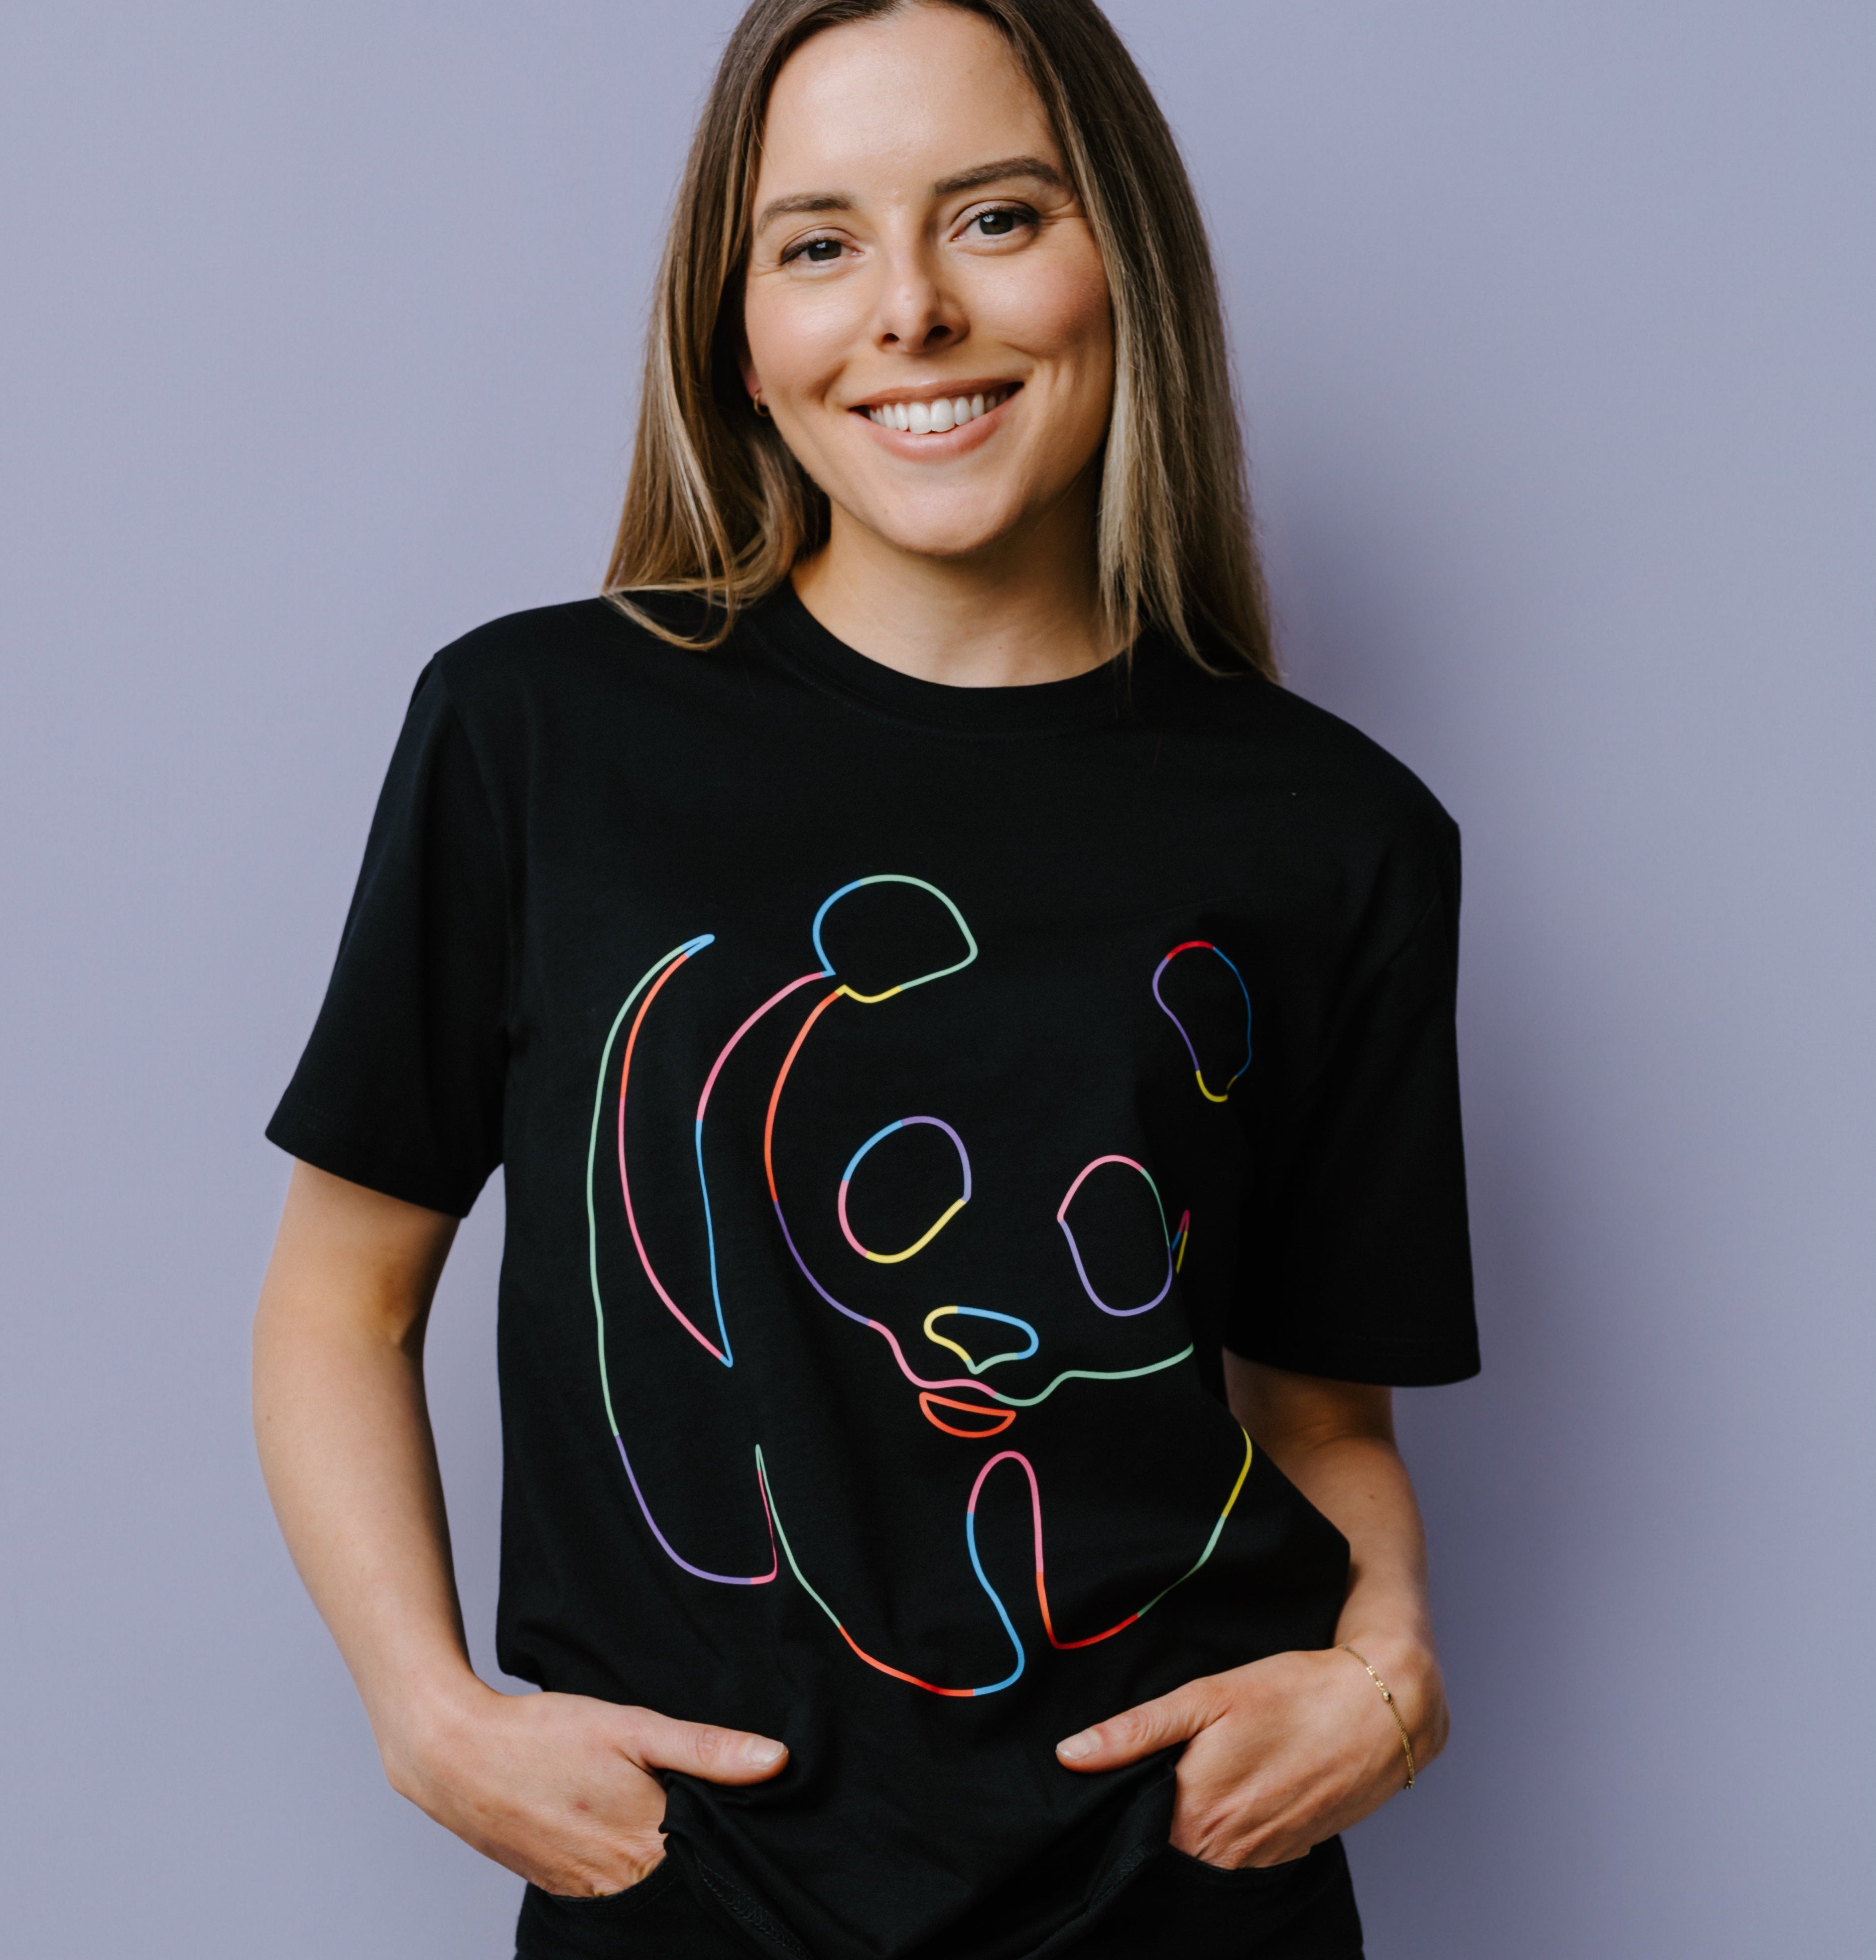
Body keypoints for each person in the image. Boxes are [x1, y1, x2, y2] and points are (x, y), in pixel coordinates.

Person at [252, 2, 1478, 1954]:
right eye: (817, 242)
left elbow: (1322, 1415)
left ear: (1119, 261)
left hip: (1181, 1890)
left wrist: (1388, 1675)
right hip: (694, 1892)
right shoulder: (536, 731)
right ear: (735, 330)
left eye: (992, 217)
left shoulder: (1338, 833)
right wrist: (430, 1715)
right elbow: (338, 1297)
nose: (904, 310)